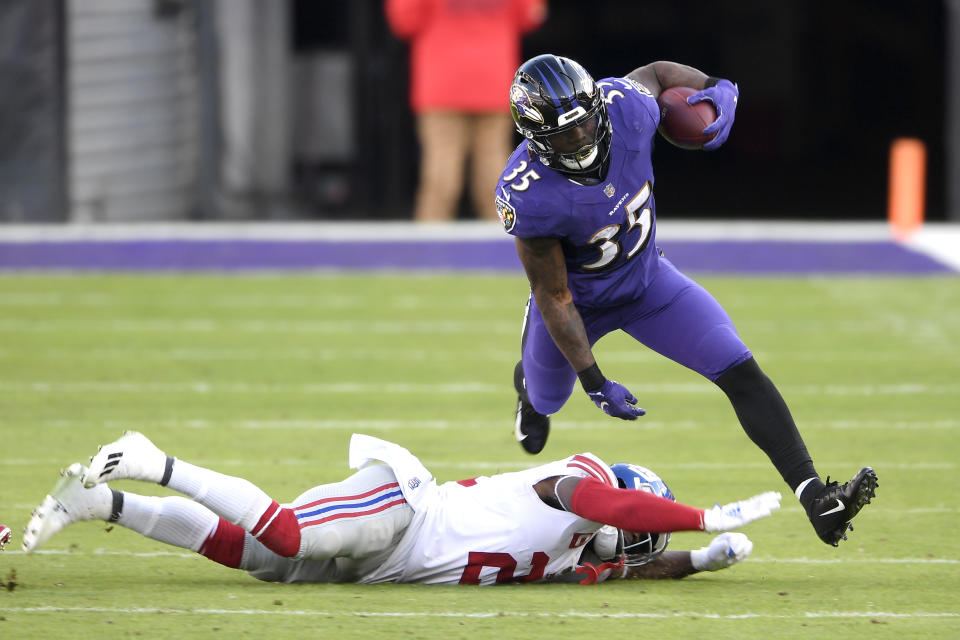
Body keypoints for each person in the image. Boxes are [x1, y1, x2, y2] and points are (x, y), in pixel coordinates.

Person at [498, 54, 878, 547]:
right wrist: (593, 380)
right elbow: (555, 294)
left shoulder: (624, 108)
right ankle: (527, 388)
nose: (584, 138)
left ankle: (815, 498)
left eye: (587, 122)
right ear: (538, 138)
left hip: (648, 281)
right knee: (547, 398)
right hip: (579, 302)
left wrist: (718, 85)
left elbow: (656, 74)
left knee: (739, 368)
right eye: (566, 135)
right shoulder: (527, 190)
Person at [22, 430, 779, 585]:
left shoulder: (580, 560)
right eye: (634, 538)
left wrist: (702, 560)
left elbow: (647, 566)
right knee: (284, 533)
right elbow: (605, 501)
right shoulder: (577, 483)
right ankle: (158, 459)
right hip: (405, 509)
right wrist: (704, 518)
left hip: (387, 566)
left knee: (248, 556)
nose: (630, 552)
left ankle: (104, 502)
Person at [385, 0, 546, 222]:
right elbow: (531, 16)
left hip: (442, 83)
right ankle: (501, 245)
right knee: (494, 167)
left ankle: (430, 247)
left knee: (442, 167)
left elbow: (404, 22)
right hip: (493, 79)